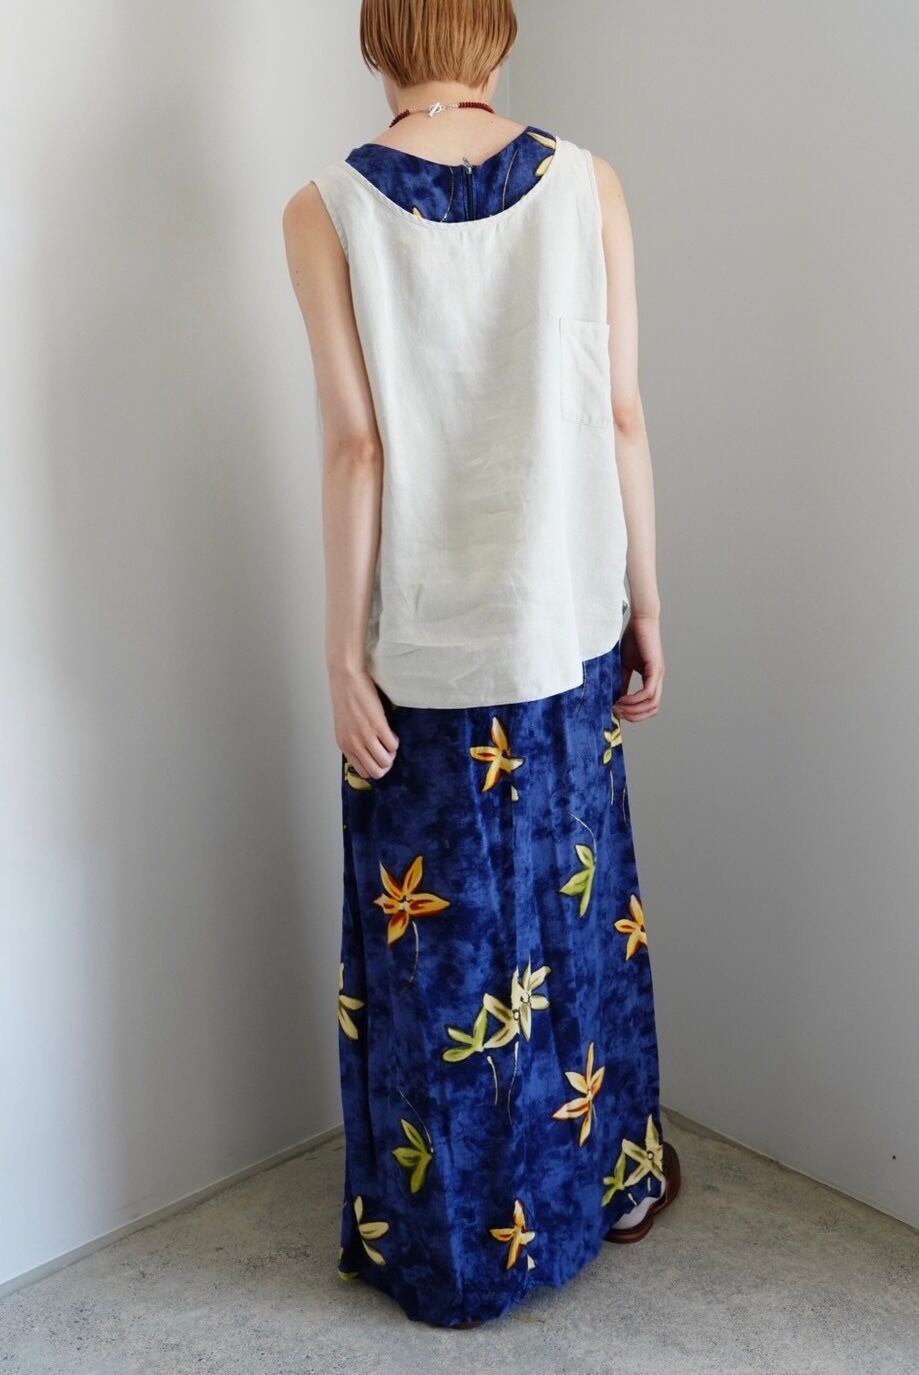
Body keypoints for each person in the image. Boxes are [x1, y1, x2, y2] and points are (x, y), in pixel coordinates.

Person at [282, 0, 680, 1330]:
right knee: (578, 925)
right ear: (498, 40)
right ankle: (608, 1192)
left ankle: (447, 1252)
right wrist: (648, 602)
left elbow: (358, 448)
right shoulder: (588, 182)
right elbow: (621, 411)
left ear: (375, 46)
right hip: (563, 627)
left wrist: (341, 652)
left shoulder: (324, 209)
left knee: (434, 963)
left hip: (422, 650)